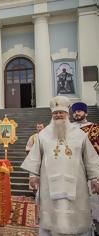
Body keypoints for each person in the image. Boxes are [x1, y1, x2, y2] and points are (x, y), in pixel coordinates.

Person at [21, 96, 99, 236]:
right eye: (55, 113)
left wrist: (95, 179)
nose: (58, 115)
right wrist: (33, 176)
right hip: (49, 185)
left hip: (77, 185)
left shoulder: (80, 135)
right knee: (51, 220)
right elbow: (35, 157)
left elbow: (90, 158)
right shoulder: (43, 135)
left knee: (78, 219)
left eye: (61, 112)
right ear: (52, 115)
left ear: (67, 114)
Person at [72, 101, 99, 235]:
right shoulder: (68, 128)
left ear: (86, 113)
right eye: (75, 111)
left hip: (89, 169)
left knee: (91, 201)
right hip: (72, 169)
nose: (76, 113)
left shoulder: (94, 129)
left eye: (79, 111)